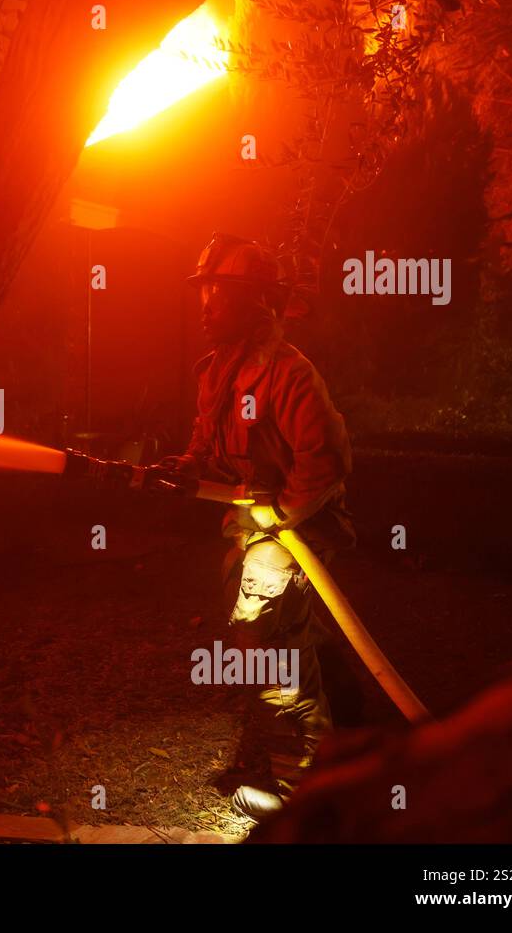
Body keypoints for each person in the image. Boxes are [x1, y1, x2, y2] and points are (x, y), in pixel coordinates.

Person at [160, 232, 357, 823]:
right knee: (287, 638)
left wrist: (280, 515)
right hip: (251, 525)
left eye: (217, 293)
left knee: (265, 641)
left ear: (254, 302)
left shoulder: (290, 375)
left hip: (294, 527)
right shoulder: (219, 370)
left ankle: (306, 795)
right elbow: (208, 436)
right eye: (204, 292)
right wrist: (188, 467)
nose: (204, 306)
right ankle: (341, 756)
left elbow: (325, 461)